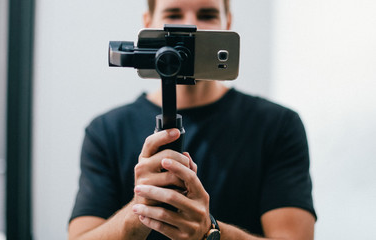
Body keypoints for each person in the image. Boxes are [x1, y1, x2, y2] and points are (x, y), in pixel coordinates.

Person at [68, 0, 317, 239]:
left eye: (207, 15)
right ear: (149, 22)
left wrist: (209, 233)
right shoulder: (107, 131)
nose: (191, 26)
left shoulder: (277, 125)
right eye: (173, 14)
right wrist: (141, 210)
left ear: (227, 23)